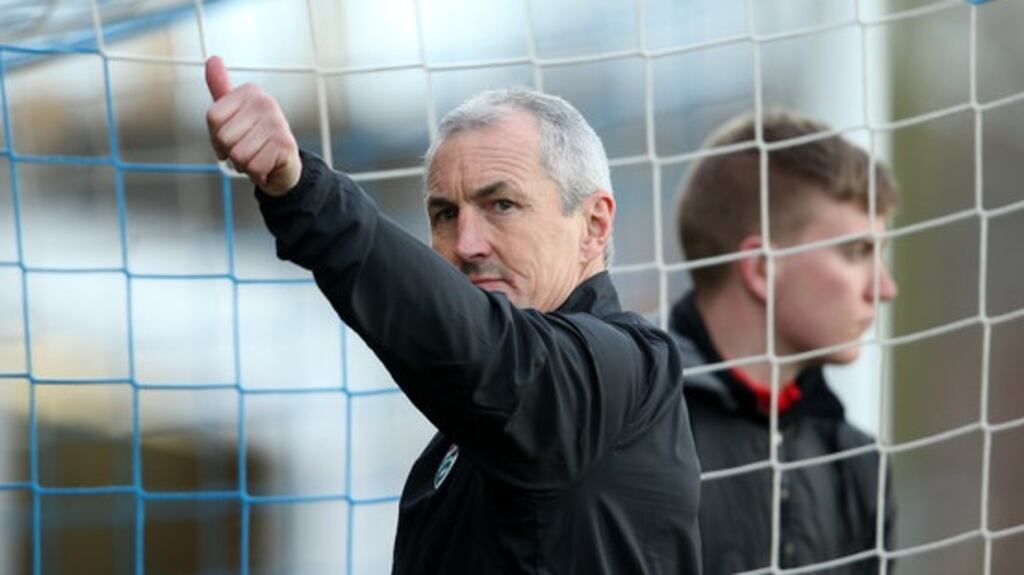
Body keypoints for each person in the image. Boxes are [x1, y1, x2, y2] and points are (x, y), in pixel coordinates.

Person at [203, 56, 702, 574]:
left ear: (594, 226)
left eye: (501, 205)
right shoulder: (453, 448)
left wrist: (304, 192)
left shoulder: (625, 372)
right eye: (445, 214)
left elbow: (487, 351)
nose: (466, 243)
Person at [670, 111, 898, 574]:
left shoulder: (858, 466)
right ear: (761, 267)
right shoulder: (631, 434)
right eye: (858, 253)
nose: (885, 288)